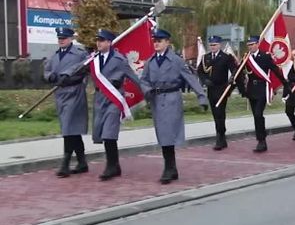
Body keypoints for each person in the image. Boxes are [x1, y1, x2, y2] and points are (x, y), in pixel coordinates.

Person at [142, 29, 208, 184]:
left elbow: (190, 78)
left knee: (168, 134)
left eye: (160, 41)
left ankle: (168, 168)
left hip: (172, 98)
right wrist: (147, 90)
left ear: (167, 42)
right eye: (155, 41)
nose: (156, 43)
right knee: (162, 134)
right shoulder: (151, 61)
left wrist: (201, 97)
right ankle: (172, 168)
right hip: (157, 99)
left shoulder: (176, 60)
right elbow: (143, 80)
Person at [91, 29, 143, 181]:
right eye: (97, 40)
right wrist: (66, 76)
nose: (98, 43)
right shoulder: (93, 59)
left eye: (101, 40)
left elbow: (133, 77)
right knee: (102, 133)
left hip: (114, 100)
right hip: (100, 99)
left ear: (109, 42)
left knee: (109, 133)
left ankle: (111, 166)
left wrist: (148, 91)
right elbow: (80, 70)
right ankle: (116, 166)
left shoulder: (119, 60)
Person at [43, 27, 89, 178]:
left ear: (71, 39)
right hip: (60, 95)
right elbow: (47, 71)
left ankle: (65, 163)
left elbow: (85, 70)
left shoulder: (80, 54)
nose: (61, 40)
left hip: (74, 93)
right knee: (71, 129)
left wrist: (70, 78)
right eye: (59, 38)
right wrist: (51, 77)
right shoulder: (55, 56)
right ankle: (82, 162)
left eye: (64, 38)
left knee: (68, 127)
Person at [242, 35, 288, 152]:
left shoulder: (265, 56)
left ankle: (261, 140)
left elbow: (275, 70)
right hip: (251, 89)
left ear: (257, 44)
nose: (250, 47)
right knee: (256, 116)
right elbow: (239, 71)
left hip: (263, 88)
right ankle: (261, 139)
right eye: (248, 45)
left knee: (258, 114)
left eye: (252, 44)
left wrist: (285, 83)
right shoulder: (246, 57)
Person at [197, 36, 239, 150]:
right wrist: (204, 80)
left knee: (220, 113)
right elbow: (200, 71)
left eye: (214, 45)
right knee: (215, 114)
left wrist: (232, 78)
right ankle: (221, 136)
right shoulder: (206, 58)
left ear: (219, 45)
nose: (212, 47)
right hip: (211, 89)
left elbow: (235, 69)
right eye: (211, 45)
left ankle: (220, 137)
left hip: (222, 89)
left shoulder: (226, 57)